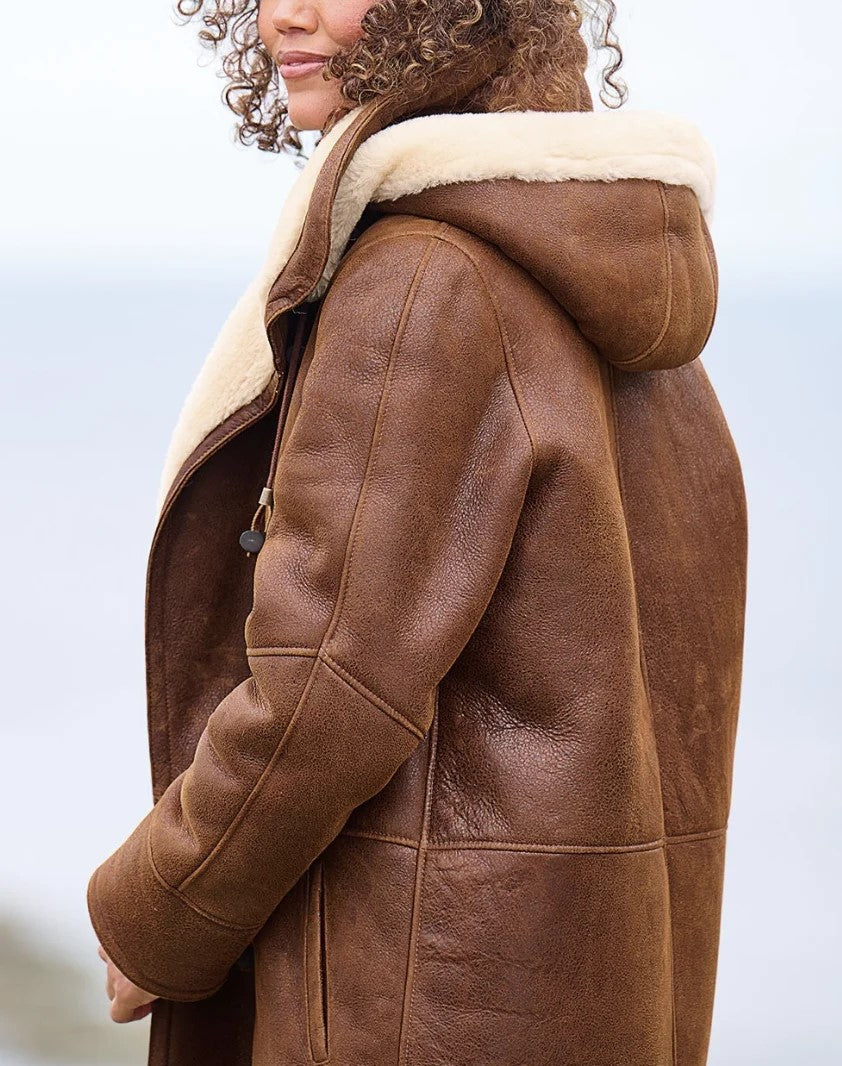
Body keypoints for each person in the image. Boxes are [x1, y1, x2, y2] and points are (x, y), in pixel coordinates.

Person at [87, 1, 748, 1064]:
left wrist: (156, 910)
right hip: (581, 1001)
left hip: (409, 1007)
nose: (280, 16)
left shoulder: (419, 283)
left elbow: (324, 692)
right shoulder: (621, 300)